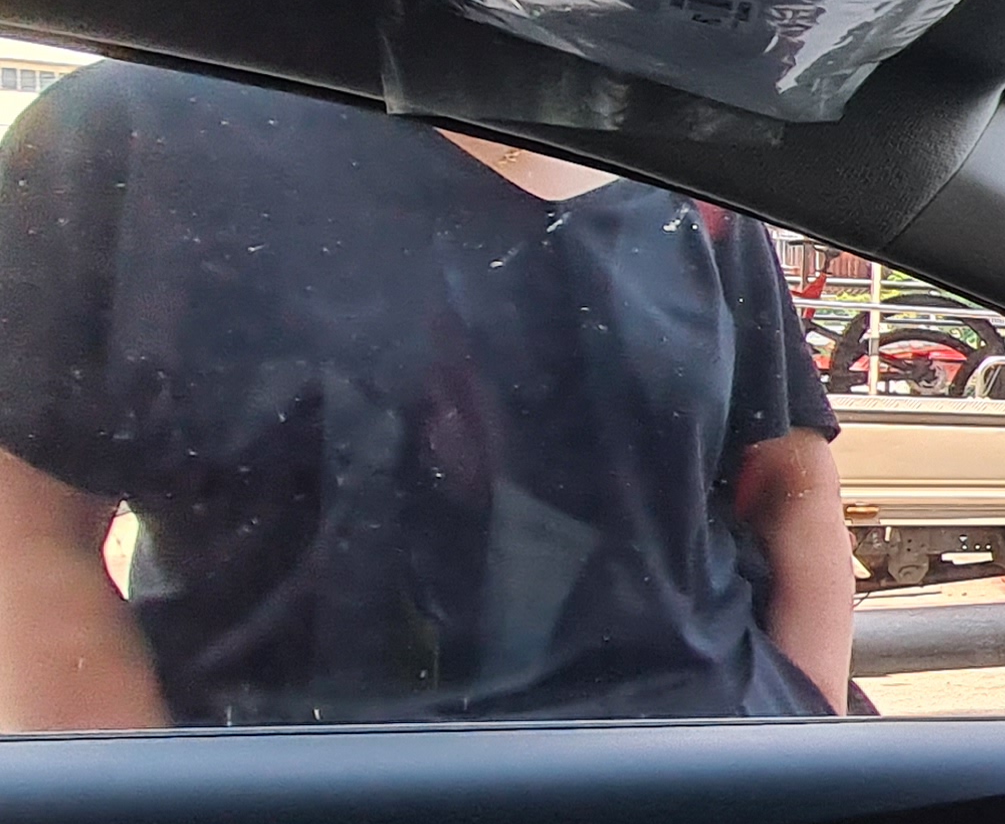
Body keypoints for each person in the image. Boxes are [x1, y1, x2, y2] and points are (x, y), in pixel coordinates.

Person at [0, 62, 856, 728]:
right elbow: (26, 535)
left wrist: (800, 751)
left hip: (701, 799)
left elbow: (792, 491)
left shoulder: (685, 179)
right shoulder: (138, 132)